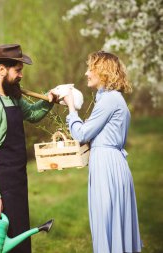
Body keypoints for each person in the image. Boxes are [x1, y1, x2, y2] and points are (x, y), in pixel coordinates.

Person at [0, 44, 55, 253]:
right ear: (2, 69)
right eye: (17, 70)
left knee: (17, 247)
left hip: (15, 186)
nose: (21, 75)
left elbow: (33, 115)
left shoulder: (12, 95)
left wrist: (49, 100)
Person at [61, 51, 143, 253]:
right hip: (109, 164)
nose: (87, 73)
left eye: (91, 69)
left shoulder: (109, 100)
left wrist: (72, 108)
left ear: (104, 73)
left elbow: (82, 134)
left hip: (107, 166)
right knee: (107, 220)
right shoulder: (110, 99)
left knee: (106, 219)